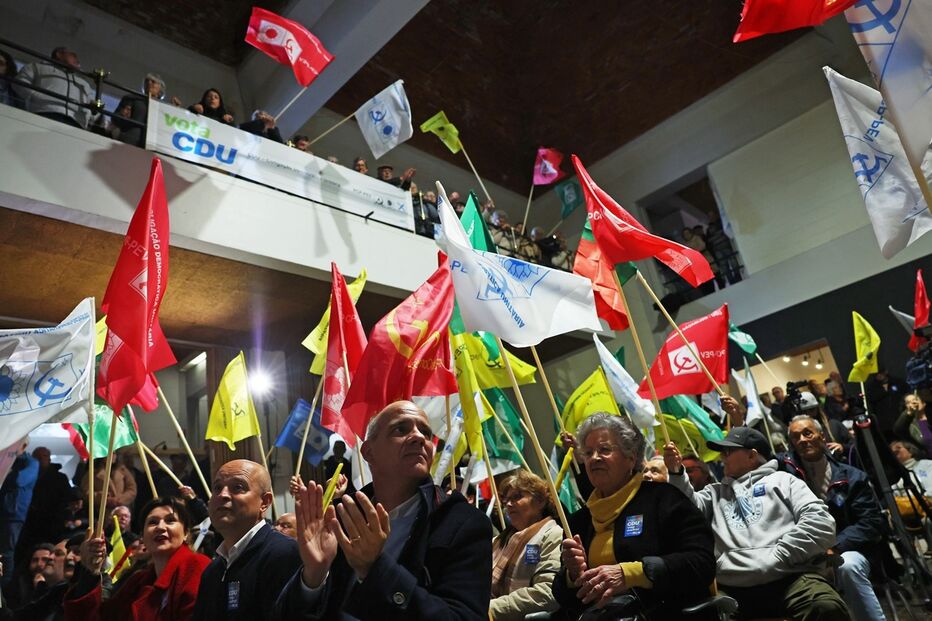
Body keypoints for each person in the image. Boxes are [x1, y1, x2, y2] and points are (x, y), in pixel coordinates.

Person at [277, 400, 492, 619]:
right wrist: (313, 576)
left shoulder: (462, 522)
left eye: (426, 433)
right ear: (368, 452)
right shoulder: (341, 518)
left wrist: (375, 568)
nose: (419, 437)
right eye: (401, 429)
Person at [664, 426, 848, 620]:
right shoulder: (714, 493)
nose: (721, 457)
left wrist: (781, 554)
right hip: (734, 586)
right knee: (704, 615)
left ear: (752, 456)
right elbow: (685, 511)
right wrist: (676, 473)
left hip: (791, 577)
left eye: (728, 451)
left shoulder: (784, 481)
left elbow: (821, 523)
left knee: (826, 607)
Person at [556, 414, 715, 620]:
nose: (594, 457)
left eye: (604, 450)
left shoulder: (664, 499)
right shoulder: (580, 520)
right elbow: (562, 594)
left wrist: (631, 573)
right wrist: (572, 576)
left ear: (631, 457)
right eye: (588, 453)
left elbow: (701, 564)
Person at [781, 415, 887, 621]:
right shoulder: (786, 477)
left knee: (846, 566)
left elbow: (871, 522)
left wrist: (834, 547)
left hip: (849, 550)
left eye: (807, 433)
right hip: (806, 556)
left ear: (822, 436)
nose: (802, 439)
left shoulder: (852, 476)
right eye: (796, 437)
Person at [66, 496, 210, 620]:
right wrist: (90, 571)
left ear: (186, 533)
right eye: (152, 522)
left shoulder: (196, 566)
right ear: (142, 537)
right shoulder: (137, 582)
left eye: (170, 520)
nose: (160, 527)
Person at [192, 460, 301, 621]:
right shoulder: (212, 571)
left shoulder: (285, 553)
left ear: (264, 502)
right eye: (217, 488)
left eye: (238, 487)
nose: (223, 494)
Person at [489, 471, 562, 621]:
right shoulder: (499, 540)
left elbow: (547, 592)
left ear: (540, 501)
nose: (508, 504)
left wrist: (491, 609)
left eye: (517, 497)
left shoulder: (553, 534)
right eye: (506, 499)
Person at [13, 47, 93, 128]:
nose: (77, 58)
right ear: (59, 54)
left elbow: (90, 103)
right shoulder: (37, 67)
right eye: (72, 54)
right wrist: (35, 96)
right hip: (44, 114)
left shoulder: (84, 82)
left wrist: (89, 116)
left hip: (76, 123)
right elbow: (20, 82)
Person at [20, 447, 71, 558]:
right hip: (29, 526)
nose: (39, 460)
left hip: (52, 526)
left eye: (43, 456)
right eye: (36, 457)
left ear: (49, 459)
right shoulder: (26, 477)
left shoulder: (60, 479)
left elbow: (66, 500)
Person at [0, 440, 39, 585]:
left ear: (24, 445)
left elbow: (19, 480)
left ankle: (5, 586)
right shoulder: (9, 460)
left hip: (15, 513)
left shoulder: (31, 463)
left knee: (7, 551)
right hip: (5, 510)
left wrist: (7, 473)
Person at [110, 73, 181, 147]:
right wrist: (122, 115)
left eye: (153, 81)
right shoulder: (132, 98)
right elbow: (115, 119)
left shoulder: (164, 107)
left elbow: (170, 128)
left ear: (160, 89)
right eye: (147, 81)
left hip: (153, 145)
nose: (149, 83)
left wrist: (175, 110)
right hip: (130, 140)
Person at [865, 368, 909, 436]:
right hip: (884, 424)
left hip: (900, 420)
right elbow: (871, 400)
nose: (878, 375)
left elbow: (906, 395)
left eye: (880, 372)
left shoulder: (898, 382)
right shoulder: (871, 387)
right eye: (875, 374)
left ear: (885, 371)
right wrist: (884, 392)